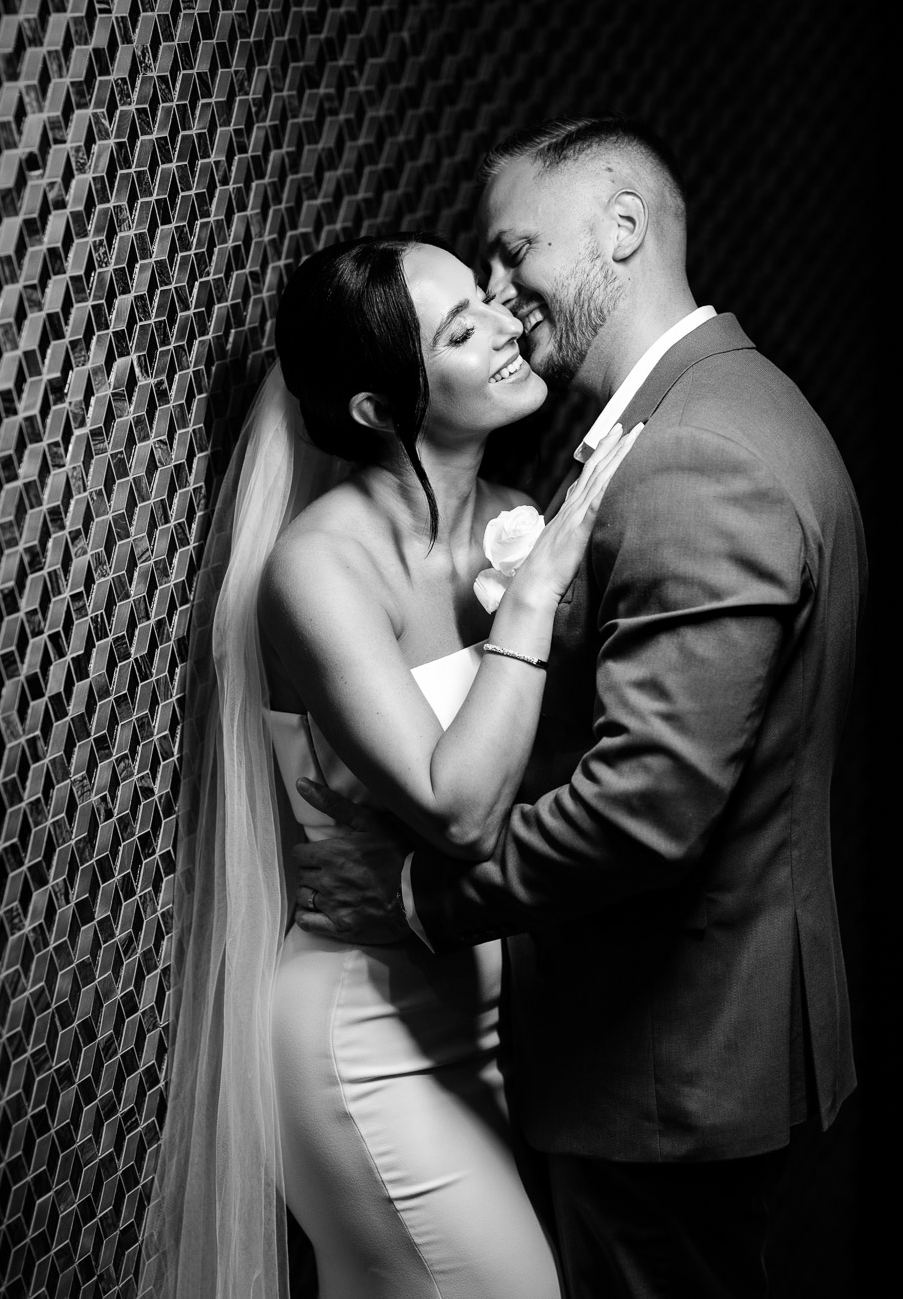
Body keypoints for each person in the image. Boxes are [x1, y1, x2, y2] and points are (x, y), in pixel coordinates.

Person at [293, 116, 868, 1298]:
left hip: (668, 1062)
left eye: (511, 254)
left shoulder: (699, 457)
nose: (504, 298)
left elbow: (643, 808)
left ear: (620, 228)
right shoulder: (723, 411)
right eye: (474, 288)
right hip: (653, 1047)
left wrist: (415, 897)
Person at [142, 231, 640, 1298]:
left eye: (486, 304)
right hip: (364, 1037)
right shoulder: (321, 568)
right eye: (462, 331)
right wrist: (539, 599)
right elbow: (459, 811)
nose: (508, 327)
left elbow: (578, 771)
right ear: (377, 409)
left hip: (501, 1021)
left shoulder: (517, 525)